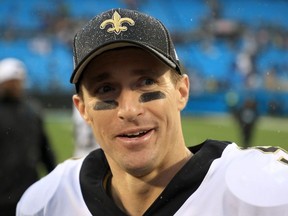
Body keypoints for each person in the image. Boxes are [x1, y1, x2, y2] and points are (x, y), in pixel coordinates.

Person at [17, 8, 288, 216]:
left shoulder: (262, 189)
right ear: (83, 109)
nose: (130, 110)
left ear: (181, 91)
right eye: (105, 88)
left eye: (147, 81)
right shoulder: (48, 201)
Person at [0, 58, 57, 216]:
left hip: (28, 191)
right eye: (11, 81)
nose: (16, 85)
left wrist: (54, 177)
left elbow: (44, 149)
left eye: (18, 81)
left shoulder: (32, 111)